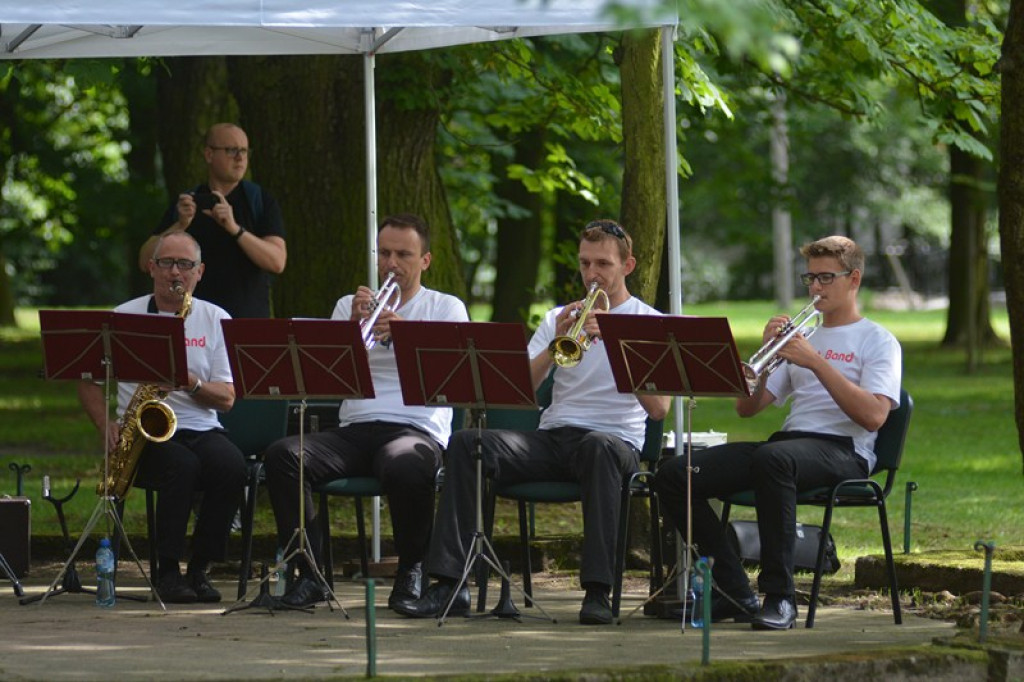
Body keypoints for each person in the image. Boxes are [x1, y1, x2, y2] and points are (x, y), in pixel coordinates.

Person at [394, 219, 671, 625]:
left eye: (603, 265)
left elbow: (659, 408)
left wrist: (615, 341)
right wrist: (553, 344)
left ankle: (597, 591)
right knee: (469, 443)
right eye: (585, 263)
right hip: (554, 437)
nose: (592, 274)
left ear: (627, 266)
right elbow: (519, 389)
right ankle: (449, 585)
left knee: (598, 448)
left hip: (614, 443)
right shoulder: (559, 317)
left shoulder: (647, 322)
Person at [654, 235, 902, 630]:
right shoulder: (802, 338)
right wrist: (768, 357)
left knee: (774, 458)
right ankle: (733, 589)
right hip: (787, 448)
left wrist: (817, 362)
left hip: (845, 451)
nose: (816, 288)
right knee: (673, 476)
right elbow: (747, 408)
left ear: (853, 279)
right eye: (810, 279)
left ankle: (780, 597)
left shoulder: (878, 341)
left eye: (826, 278)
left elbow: (873, 416)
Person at [263, 213, 470, 610]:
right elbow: (330, 379)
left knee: (404, 465)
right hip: (355, 427)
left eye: (404, 254)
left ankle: (412, 569)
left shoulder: (446, 308)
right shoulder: (348, 305)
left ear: (425, 260)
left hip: (416, 427)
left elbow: (449, 383)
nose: (392, 263)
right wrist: (351, 328)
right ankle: (312, 574)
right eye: (385, 253)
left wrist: (405, 336)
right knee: (284, 455)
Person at [79, 231, 247, 604]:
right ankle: (167, 573)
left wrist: (191, 383)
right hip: (142, 432)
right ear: (151, 267)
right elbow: (86, 381)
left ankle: (200, 568)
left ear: (199, 272)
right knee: (181, 467)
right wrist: (105, 424)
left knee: (232, 467)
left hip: (201, 427)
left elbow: (228, 398)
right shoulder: (123, 316)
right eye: (167, 262)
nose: (175, 272)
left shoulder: (215, 318)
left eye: (185, 265)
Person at [139, 122, 287, 319]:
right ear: (209, 154)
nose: (240, 157)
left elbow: (277, 262)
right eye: (231, 150)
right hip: (194, 323)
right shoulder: (188, 203)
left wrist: (234, 229)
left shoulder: (259, 200)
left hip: (246, 324)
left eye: (244, 150)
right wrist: (180, 226)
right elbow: (145, 261)